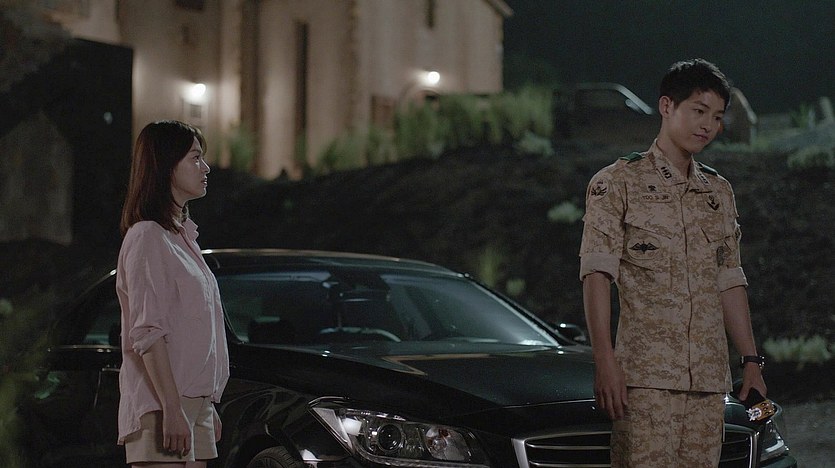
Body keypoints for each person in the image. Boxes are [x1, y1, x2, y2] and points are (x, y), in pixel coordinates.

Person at [579, 59, 767, 467]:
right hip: (645, 383)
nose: (708, 126)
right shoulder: (617, 183)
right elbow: (596, 275)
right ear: (667, 107)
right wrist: (605, 361)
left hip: (708, 383)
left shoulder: (718, 192)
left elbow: (730, 280)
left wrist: (751, 361)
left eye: (717, 117)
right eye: (699, 111)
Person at [116, 120, 229, 467]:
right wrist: (172, 406)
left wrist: (204, 403)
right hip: (162, 404)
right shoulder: (146, 237)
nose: (205, 167)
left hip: (193, 403)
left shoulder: (181, 238)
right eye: (195, 157)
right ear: (166, 165)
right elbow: (148, 332)